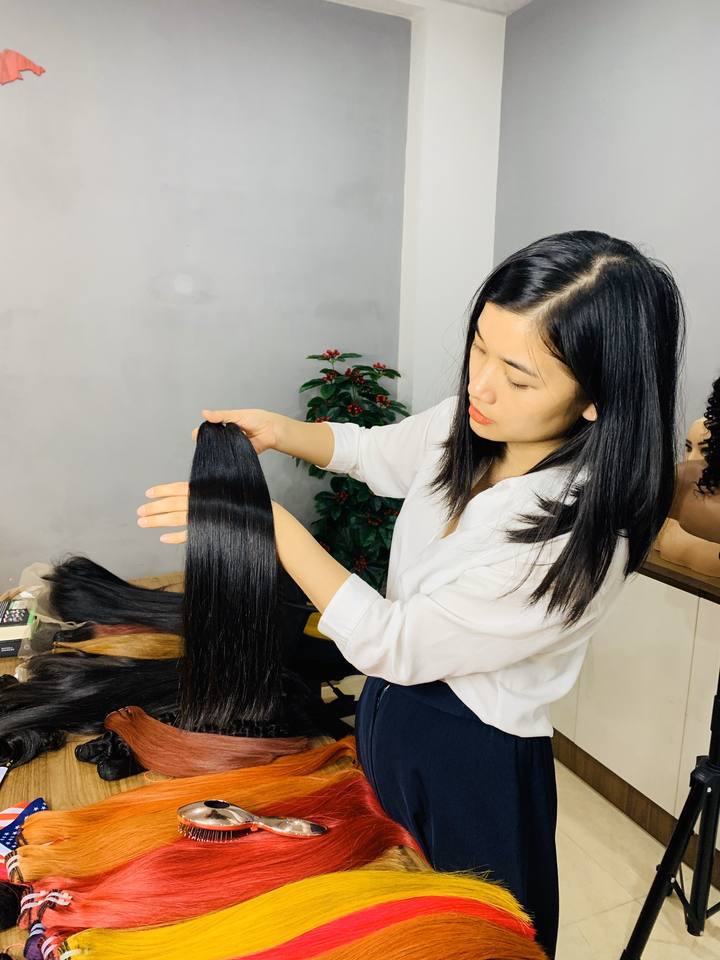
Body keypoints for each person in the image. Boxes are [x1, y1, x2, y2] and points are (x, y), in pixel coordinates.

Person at [136, 230, 686, 958]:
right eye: (479, 348)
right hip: (391, 715)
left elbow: (391, 641)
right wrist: (284, 432)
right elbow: (374, 451)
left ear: (596, 398)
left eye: (519, 377)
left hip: (472, 758)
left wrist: (268, 526)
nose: (480, 385)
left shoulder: (575, 541)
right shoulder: (473, 421)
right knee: (390, 913)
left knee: (469, 935)